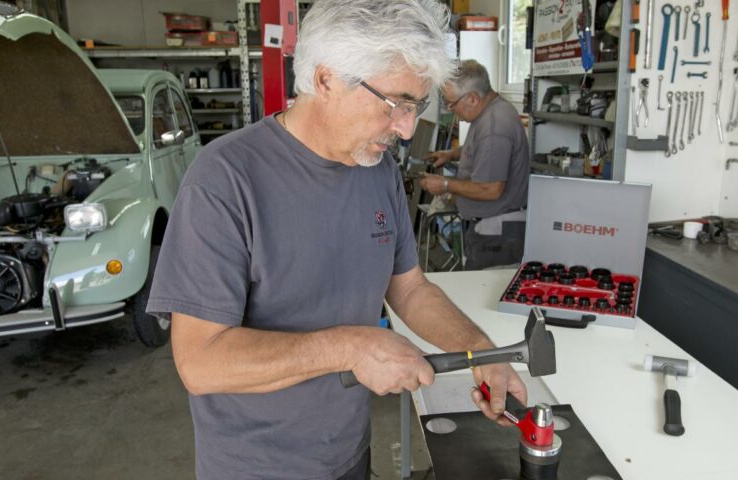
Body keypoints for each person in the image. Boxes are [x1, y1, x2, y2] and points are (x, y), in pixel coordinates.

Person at [144, 2, 527, 479]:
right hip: (256, 468)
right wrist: (348, 347)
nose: (407, 128)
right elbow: (200, 362)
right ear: (326, 81)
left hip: (348, 452)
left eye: (417, 106)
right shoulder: (224, 181)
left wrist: (478, 351)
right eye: (396, 104)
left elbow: (407, 288)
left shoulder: (378, 169)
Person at [420, 60, 531, 270]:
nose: (452, 110)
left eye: (452, 104)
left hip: (496, 233)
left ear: (472, 98)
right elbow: (481, 147)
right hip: (489, 226)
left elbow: (491, 189)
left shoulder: (494, 125)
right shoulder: (489, 111)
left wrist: (445, 184)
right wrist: (452, 154)